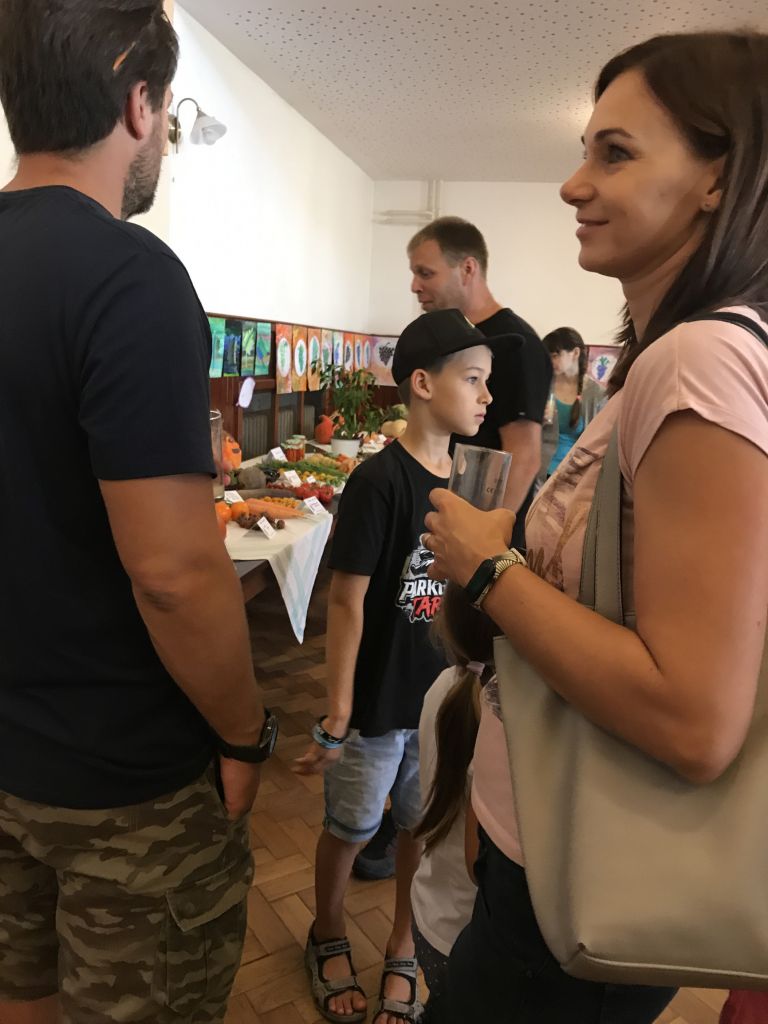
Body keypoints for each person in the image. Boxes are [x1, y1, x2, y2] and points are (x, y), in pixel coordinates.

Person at [422, 29, 768, 1023]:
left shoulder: (697, 360)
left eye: (615, 153)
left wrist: (489, 569)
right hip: (561, 840)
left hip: (591, 860)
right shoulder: (686, 353)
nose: (574, 185)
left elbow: (694, 719)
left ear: (717, 177)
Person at [0, 3, 276, 1022]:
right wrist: (246, 733)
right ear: (139, 100)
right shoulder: (130, 274)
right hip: (123, 782)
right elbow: (173, 573)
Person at [294, 309, 518, 1024]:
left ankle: (402, 942)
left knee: (421, 826)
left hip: (443, 700)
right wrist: (338, 710)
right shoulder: (379, 480)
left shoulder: (474, 485)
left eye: (487, 381)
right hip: (379, 702)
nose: (487, 396)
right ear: (423, 384)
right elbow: (348, 600)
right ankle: (327, 929)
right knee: (354, 826)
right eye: (473, 379)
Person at [408, 216, 552, 550]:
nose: (414, 285)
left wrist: (483, 542)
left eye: (426, 273)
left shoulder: (518, 344)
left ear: (468, 269)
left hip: (478, 539)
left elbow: (524, 455)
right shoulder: (449, 337)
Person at [410, 584, 497, 1021]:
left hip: (429, 916)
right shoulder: (501, 720)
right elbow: (478, 864)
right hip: (469, 942)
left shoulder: (443, 686)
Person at [540, 326, 606, 477]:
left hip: (574, 475)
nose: (550, 362)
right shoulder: (542, 386)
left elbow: (600, 443)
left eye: (555, 356)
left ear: (575, 353)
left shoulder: (597, 395)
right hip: (540, 471)